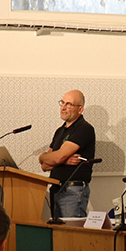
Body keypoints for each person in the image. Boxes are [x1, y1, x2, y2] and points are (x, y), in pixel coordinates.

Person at [40, 89, 96, 218]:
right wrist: (44, 157)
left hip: (72, 191)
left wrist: (54, 158)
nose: (63, 108)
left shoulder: (84, 128)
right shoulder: (60, 131)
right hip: (56, 189)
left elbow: (57, 157)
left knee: (72, 229)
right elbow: (44, 166)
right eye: (62, 103)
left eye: (69, 104)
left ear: (80, 109)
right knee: (57, 229)